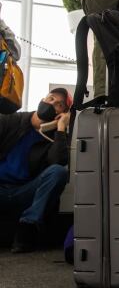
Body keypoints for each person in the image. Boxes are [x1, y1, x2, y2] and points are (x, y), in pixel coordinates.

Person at [0, 89, 72, 253]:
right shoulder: (13, 120)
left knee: (58, 172)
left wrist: (60, 129)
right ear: (42, 99)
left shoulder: (55, 137)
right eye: (51, 99)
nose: (53, 104)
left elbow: (58, 163)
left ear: (62, 113)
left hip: (24, 192)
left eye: (59, 105)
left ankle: (27, 228)